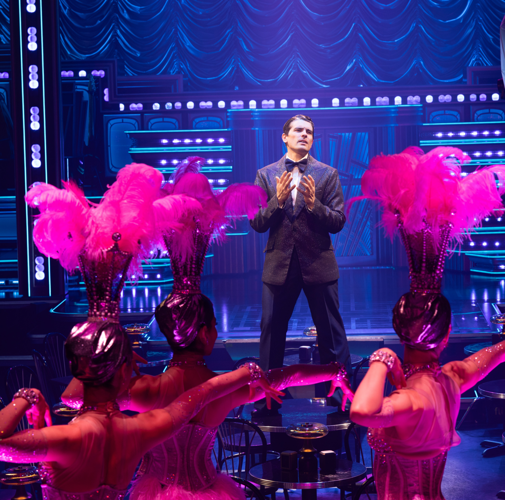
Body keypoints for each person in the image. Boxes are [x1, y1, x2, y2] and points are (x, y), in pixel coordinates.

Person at [63, 291, 354, 500]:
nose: (215, 333)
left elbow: (73, 398)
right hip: (207, 490)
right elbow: (288, 375)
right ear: (203, 333)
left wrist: (109, 356)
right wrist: (334, 371)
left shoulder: (146, 389)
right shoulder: (224, 389)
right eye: (214, 326)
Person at [350, 292, 505, 500]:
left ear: (400, 331)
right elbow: (491, 355)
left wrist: (382, 358)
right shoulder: (453, 378)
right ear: (447, 334)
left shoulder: (412, 399)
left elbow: (361, 411)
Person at [250, 114, 350, 410]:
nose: (304, 135)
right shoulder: (265, 174)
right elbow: (257, 222)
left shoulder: (327, 174)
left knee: (331, 334)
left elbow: (338, 221)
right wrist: (277, 201)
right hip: (279, 265)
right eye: (297, 130)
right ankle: (268, 401)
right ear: (285, 137)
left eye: (309, 131)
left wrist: (314, 205)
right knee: (271, 332)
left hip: (318, 263)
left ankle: (337, 399)